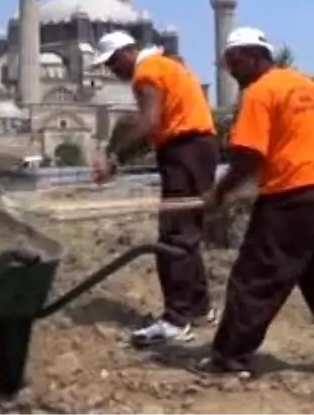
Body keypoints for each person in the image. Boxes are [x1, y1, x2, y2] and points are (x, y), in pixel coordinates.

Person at [198, 27, 314, 382]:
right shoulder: (308, 86)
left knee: (255, 277)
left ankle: (230, 357)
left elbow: (248, 154)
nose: (231, 71)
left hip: (292, 195)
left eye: (235, 63)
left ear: (255, 57)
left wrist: (220, 192)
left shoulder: (259, 92)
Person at [90, 30, 219, 346]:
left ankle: (176, 320)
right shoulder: (167, 65)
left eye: (112, 62)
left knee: (174, 235)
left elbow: (149, 121)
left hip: (184, 150)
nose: (113, 71)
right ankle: (200, 309)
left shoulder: (147, 72)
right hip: (200, 148)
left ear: (126, 52)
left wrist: (114, 158)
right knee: (187, 231)